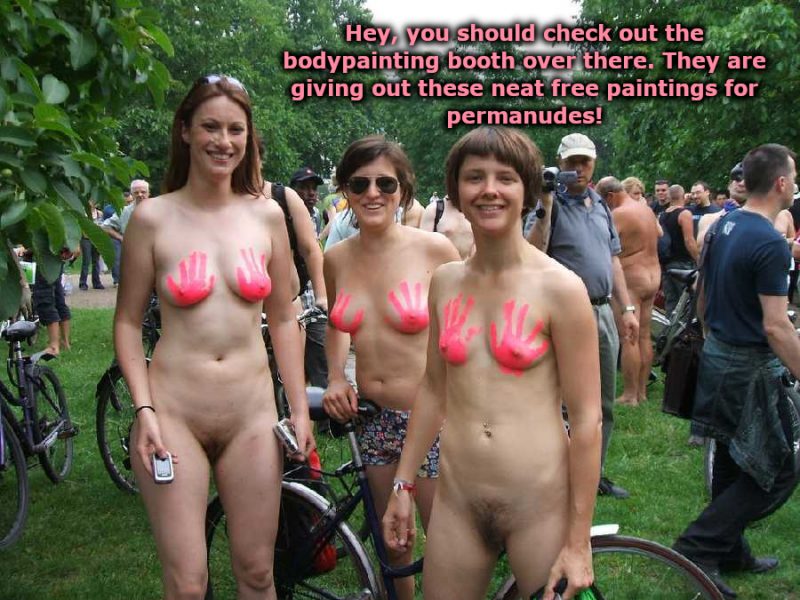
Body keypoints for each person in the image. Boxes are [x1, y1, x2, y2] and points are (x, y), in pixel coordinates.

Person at [114, 75, 312, 599]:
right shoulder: (152, 218)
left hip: (251, 417)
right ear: (185, 131)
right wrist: (144, 410)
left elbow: (285, 316)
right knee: (187, 583)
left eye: (235, 129)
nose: (223, 141)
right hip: (173, 416)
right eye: (210, 127)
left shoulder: (267, 215)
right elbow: (127, 323)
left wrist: (298, 407)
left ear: (249, 138)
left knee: (258, 573)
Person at [382, 126, 601, 600]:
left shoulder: (560, 288)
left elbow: (587, 419)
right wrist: (403, 482)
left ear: (526, 189)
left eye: (505, 178)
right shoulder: (445, 282)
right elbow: (433, 387)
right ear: (457, 190)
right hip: (458, 503)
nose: (489, 190)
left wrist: (578, 540)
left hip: (538, 505)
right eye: (474, 177)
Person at [322, 135, 460, 600]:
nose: (372, 193)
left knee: (444, 542)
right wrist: (336, 376)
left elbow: (464, 333)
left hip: (431, 417)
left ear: (403, 188)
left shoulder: (436, 250)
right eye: (359, 183)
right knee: (393, 542)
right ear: (345, 189)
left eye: (385, 183)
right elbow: (337, 322)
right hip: (373, 417)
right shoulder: (336, 259)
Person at [673, 144, 800, 599]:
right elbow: (776, 325)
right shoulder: (769, 241)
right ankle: (699, 546)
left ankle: (729, 551)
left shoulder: (721, 225)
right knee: (780, 466)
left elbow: (703, 296)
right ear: (781, 182)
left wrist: (714, 340)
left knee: (730, 460)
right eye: (794, 176)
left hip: (719, 354)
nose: (795, 183)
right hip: (748, 366)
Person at [526, 132, 638, 500]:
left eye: (584, 161)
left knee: (604, 400)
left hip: (603, 310)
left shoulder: (601, 203)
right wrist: (545, 201)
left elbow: (613, 260)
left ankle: (593, 474)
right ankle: (557, 476)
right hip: (566, 313)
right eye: (571, 161)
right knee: (563, 402)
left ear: (594, 164)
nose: (578, 168)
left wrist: (628, 308)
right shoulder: (549, 203)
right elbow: (532, 251)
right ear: (559, 162)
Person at [595, 177, 661, 406]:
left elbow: (603, 245)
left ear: (610, 196)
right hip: (653, 275)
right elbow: (659, 233)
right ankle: (642, 391)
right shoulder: (646, 209)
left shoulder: (619, 214)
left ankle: (630, 394)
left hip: (632, 277)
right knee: (644, 335)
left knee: (628, 336)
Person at [103, 179, 151, 285]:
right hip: (133, 254)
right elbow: (105, 226)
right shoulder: (124, 211)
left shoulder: (159, 209)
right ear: (132, 194)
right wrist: (120, 238)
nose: (140, 195)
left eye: (143, 192)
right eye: (136, 192)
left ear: (148, 193)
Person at [660, 184, 698, 316]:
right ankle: (686, 328)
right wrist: (699, 259)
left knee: (671, 301)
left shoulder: (663, 215)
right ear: (683, 195)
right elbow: (689, 240)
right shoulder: (684, 214)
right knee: (686, 302)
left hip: (667, 264)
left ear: (669, 197)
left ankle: (670, 327)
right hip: (683, 263)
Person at [419, 193, 475, 259]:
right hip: (439, 263)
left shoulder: (475, 211)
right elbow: (423, 248)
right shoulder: (434, 209)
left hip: (467, 263)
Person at [79, 201, 104, 290]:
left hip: (96, 239)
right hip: (86, 239)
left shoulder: (99, 213)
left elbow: (102, 225)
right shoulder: (83, 213)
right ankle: (83, 283)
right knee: (86, 260)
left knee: (96, 261)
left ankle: (96, 282)